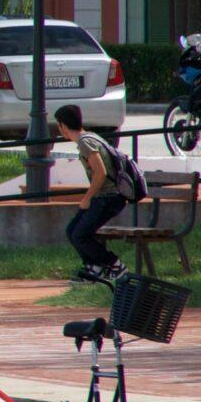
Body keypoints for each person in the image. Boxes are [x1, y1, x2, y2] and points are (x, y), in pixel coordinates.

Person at [56, 104, 126, 283]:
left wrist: (87, 198)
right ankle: (93, 268)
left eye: (58, 125)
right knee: (72, 230)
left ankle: (115, 265)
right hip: (103, 197)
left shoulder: (85, 142)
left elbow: (100, 173)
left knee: (80, 234)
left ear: (63, 126)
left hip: (109, 198)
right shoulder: (90, 137)